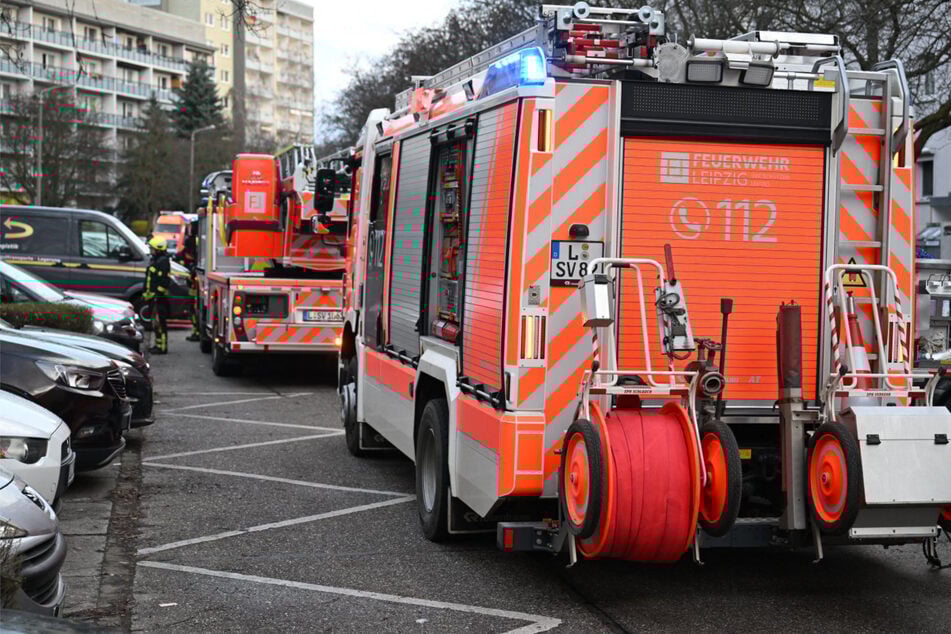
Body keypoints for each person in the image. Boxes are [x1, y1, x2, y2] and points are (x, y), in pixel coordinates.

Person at [143, 236, 171, 355]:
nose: (151, 251)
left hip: (159, 299)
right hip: (153, 298)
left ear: (158, 249)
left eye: (152, 249)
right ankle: (157, 345)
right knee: (155, 323)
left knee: (160, 324)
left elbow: (164, 281)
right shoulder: (156, 260)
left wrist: (157, 295)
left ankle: (162, 347)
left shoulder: (163, 261)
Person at [182, 220, 201, 342]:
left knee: (193, 307)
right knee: (194, 307)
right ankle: (196, 330)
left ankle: (196, 331)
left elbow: (187, 255)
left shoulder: (191, 241)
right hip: (195, 276)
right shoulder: (199, 240)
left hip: (193, 279)